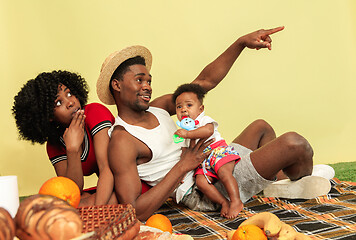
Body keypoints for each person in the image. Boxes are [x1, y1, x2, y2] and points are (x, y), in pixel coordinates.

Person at [96, 26, 331, 221]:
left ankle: (281, 183)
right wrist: (183, 166)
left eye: (148, 80)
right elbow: (135, 211)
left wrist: (240, 43)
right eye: (139, 80)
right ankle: (301, 178)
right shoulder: (123, 139)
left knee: (261, 127)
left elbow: (203, 82)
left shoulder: (157, 107)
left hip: (214, 161)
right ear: (117, 85)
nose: (147, 86)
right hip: (205, 186)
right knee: (295, 143)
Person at [12, 70, 117, 206]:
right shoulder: (54, 145)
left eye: (69, 94)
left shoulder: (95, 113)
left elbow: (107, 169)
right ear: (48, 116)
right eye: (58, 103)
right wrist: (72, 150)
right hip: (108, 186)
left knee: (79, 205)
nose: (70, 102)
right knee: (63, 203)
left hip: (131, 178)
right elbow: (72, 190)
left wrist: (96, 206)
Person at [172, 83, 243, 218]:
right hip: (203, 163)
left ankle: (236, 200)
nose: (183, 110)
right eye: (179, 107)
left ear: (200, 109)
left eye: (189, 105)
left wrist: (188, 134)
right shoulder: (183, 131)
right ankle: (224, 202)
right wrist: (181, 174)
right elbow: (185, 153)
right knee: (201, 182)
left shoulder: (204, 120)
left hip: (218, 152)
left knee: (223, 172)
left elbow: (208, 131)